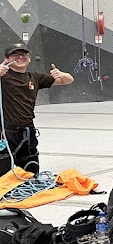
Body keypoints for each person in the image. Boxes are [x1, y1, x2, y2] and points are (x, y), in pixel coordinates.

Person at [0, 44, 73, 174]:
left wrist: (62, 74)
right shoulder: (2, 76)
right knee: (4, 176)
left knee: (31, 173)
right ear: (7, 59)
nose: (20, 57)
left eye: (24, 54)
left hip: (28, 132)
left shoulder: (35, 77)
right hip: (6, 132)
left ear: (29, 58)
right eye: (15, 55)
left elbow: (68, 80)